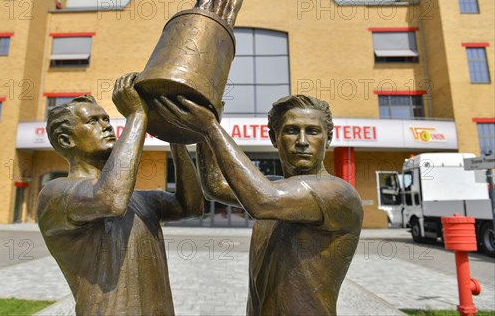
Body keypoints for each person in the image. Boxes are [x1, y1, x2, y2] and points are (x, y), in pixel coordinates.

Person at [154, 94, 363, 316]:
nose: (302, 141)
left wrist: (210, 127)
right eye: (292, 130)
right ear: (274, 138)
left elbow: (262, 200)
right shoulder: (275, 187)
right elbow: (214, 185)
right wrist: (176, 133)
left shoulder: (337, 193)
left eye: (312, 131)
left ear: (328, 139)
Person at [37, 73, 204, 316]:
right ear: (66, 139)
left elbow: (190, 206)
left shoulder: (139, 199)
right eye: (93, 121)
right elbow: (110, 200)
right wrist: (137, 115)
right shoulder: (56, 194)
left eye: (105, 118)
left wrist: (174, 137)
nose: (105, 125)